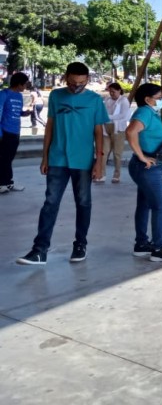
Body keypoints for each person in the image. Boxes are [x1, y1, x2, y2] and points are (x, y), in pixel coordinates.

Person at [16, 62, 109, 266]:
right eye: (74, 81)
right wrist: (45, 156)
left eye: (82, 82)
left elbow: (98, 132)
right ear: (66, 77)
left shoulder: (94, 100)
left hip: (83, 160)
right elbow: (49, 127)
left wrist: (99, 161)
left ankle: (80, 245)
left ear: (87, 80)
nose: (78, 85)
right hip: (58, 158)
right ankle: (39, 251)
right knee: (50, 203)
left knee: (83, 203)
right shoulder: (57, 96)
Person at [126, 83, 162, 262]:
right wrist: (142, 156)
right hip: (148, 169)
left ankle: (142, 244)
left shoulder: (151, 113)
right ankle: (159, 247)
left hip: (150, 168)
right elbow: (130, 131)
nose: (161, 101)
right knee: (161, 206)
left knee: (145, 205)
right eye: (158, 98)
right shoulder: (144, 112)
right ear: (147, 99)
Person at [0, 72, 29, 194]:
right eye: (25, 84)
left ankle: (8, 182)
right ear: (19, 84)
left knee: (9, 159)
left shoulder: (19, 96)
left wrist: (24, 113)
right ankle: (2, 184)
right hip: (5, 132)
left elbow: (16, 112)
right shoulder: (4, 94)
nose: (26, 87)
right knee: (3, 159)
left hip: (15, 132)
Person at [99, 82, 131, 184]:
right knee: (104, 152)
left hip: (118, 129)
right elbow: (102, 112)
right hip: (106, 127)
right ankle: (102, 174)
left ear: (119, 91)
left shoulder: (124, 101)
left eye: (113, 91)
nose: (111, 94)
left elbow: (123, 115)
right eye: (110, 91)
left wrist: (108, 117)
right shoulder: (107, 100)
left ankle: (116, 175)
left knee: (117, 153)